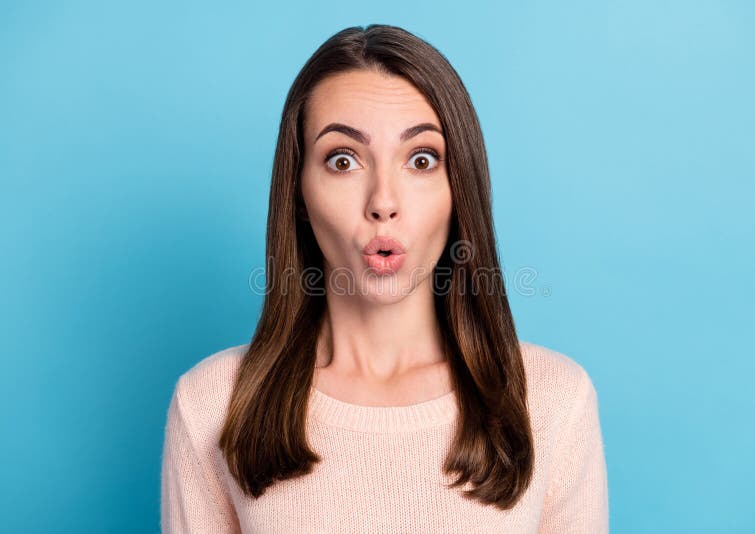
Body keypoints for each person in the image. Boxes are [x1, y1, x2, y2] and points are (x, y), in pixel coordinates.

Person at [161, 24, 608, 533]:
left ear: (459, 187)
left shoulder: (553, 399)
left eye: (421, 160)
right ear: (299, 193)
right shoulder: (211, 404)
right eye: (343, 160)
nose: (383, 203)